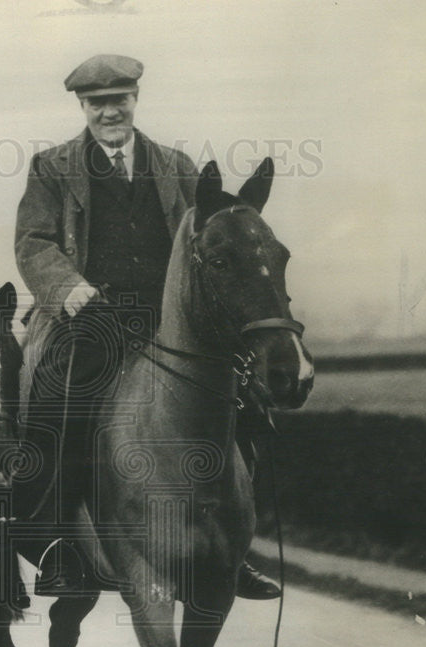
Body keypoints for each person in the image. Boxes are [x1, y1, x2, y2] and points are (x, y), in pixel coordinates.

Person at [14, 53, 279, 599]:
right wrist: (68, 289)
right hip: (87, 315)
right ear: (83, 107)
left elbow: (205, 239)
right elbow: (33, 242)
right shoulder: (52, 167)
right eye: (97, 104)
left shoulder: (177, 166)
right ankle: (57, 542)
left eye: (120, 101)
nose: (110, 113)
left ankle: (233, 545)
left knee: (245, 395)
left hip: (167, 316)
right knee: (60, 394)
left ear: (135, 100)